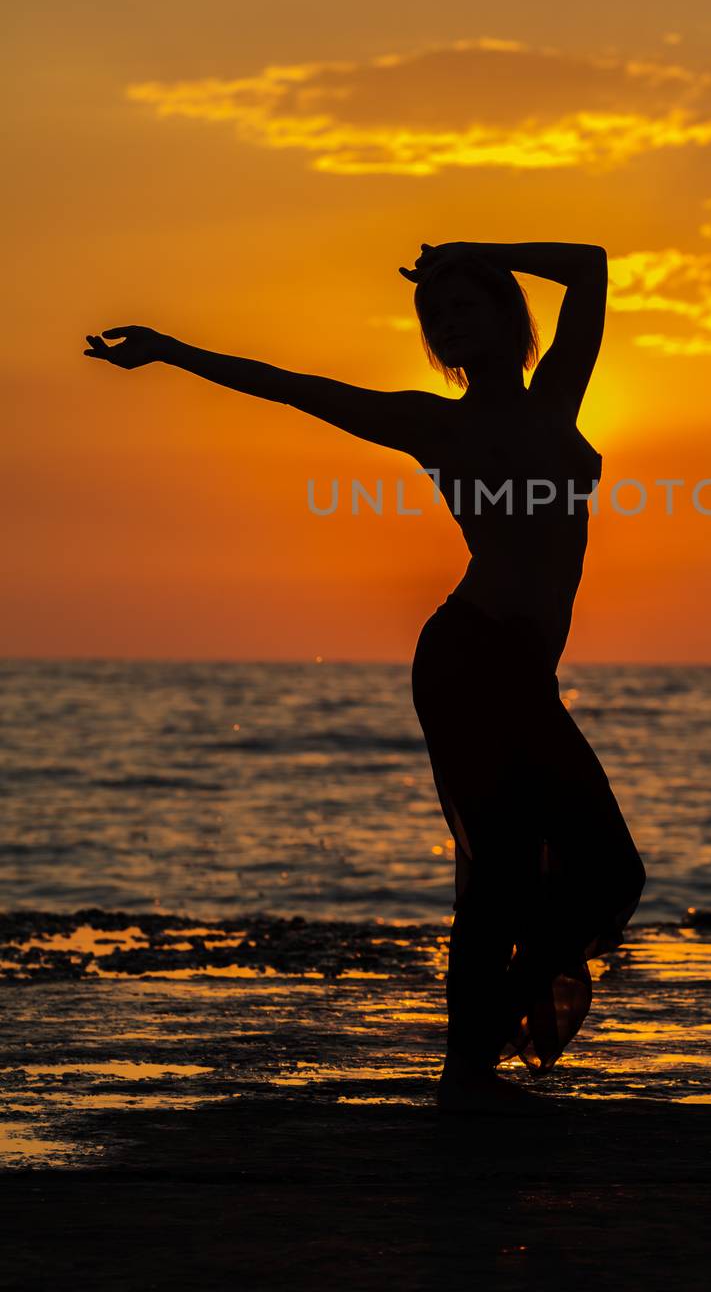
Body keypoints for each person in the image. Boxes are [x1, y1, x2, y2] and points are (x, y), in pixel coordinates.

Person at [84, 240, 647, 1115]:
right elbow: (292, 387)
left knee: (596, 873)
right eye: (437, 315)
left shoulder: (557, 396)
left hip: (520, 669)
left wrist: (469, 250)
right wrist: (173, 350)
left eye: (466, 306)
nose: (449, 322)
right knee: (520, 871)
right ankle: (471, 1072)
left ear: (508, 317)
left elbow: (588, 265)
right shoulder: (436, 424)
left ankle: (483, 1048)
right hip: (470, 656)